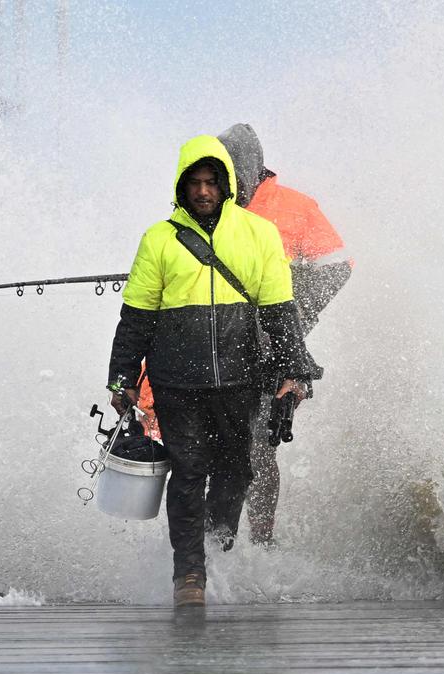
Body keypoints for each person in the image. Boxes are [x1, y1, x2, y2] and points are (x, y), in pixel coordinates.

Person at [107, 135, 320, 607]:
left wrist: (292, 369)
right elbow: (136, 318)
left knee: (237, 470)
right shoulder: (158, 240)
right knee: (187, 473)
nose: (203, 192)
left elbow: (280, 312)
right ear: (181, 187)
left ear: (226, 186)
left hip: (241, 381)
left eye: (211, 183)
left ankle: (216, 547)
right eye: (194, 183)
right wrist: (121, 378)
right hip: (177, 383)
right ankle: (189, 576)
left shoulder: (259, 235)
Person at [216, 123, 352, 547]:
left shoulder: (295, 207)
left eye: (233, 173)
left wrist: (290, 304)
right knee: (218, 445)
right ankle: (216, 542)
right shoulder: (210, 207)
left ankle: (261, 542)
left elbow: (338, 265)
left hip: (276, 347)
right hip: (219, 346)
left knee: (260, 447)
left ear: (252, 169)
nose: (227, 183)